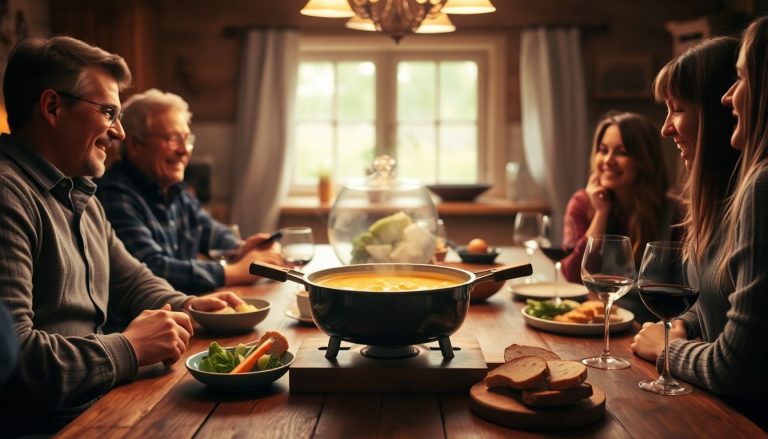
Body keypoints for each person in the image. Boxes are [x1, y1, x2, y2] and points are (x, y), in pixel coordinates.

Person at [0, 36, 245, 436]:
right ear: (52, 107)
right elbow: (18, 360)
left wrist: (190, 305)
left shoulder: (80, 192)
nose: (119, 133)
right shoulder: (8, 194)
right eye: (109, 113)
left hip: (98, 403)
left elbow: (131, 280)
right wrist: (129, 347)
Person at [633, 20, 768, 429]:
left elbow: (738, 367)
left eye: (677, 109)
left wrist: (665, 349)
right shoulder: (719, 200)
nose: (666, 127)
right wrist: (683, 324)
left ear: (712, 112)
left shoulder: (759, 189)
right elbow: (716, 303)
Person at [96, 89, 285, 295]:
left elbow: (212, 233)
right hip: (139, 322)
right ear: (134, 145)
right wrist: (234, 271)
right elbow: (151, 269)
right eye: (172, 138)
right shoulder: (114, 194)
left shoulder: (177, 191)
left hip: (180, 312)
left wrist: (244, 249)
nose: (184, 150)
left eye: (186, 139)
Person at [560, 111, 684, 322]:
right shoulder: (582, 203)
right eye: (602, 150)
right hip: (595, 323)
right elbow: (572, 276)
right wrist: (601, 213)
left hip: (647, 326)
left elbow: (682, 288)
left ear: (644, 160)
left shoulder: (676, 212)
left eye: (622, 152)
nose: (608, 160)